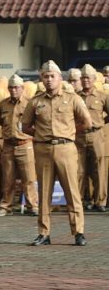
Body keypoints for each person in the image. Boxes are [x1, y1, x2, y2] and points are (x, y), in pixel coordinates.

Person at [22, 60, 92, 247]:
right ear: (42, 79)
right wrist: (40, 136)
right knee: (44, 193)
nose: (49, 80)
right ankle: (44, 233)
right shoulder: (36, 101)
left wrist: (69, 132)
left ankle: (78, 232)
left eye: (53, 76)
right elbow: (25, 126)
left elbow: (87, 122)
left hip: (66, 148)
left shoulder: (72, 98)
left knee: (72, 191)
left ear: (60, 78)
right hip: (43, 149)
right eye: (46, 76)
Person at [0, 75, 39, 216]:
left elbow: (36, 123)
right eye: (11, 87)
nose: (13, 90)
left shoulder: (30, 103)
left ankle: (33, 205)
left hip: (25, 144)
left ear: (22, 88)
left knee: (29, 178)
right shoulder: (3, 104)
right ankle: (6, 206)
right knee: (7, 178)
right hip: (8, 145)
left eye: (16, 87)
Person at [77, 64, 109, 212]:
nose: (85, 81)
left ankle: (100, 202)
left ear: (94, 79)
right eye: (83, 78)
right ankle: (81, 201)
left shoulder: (102, 96)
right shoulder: (75, 96)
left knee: (99, 169)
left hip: (96, 135)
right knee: (79, 170)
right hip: (79, 136)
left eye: (88, 78)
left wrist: (101, 123)